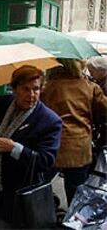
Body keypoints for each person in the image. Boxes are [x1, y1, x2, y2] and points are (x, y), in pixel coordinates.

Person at [0, 65, 62, 228]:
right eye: (25, 89)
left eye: (36, 89)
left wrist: (14, 148)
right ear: (14, 88)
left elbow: (46, 161)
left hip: (22, 194)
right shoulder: (2, 103)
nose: (31, 95)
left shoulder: (49, 121)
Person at [41, 58, 107, 206]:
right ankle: (74, 223)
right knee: (76, 192)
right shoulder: (89, 87)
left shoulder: (46, 88)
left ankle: (42, 214)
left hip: (52, 146)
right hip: (79, 147)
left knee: (39, 184)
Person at [86, 56, 107, 151]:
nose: (90, 74)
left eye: (92, 71)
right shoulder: (98, 81)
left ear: (102, 70)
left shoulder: (104, 85)